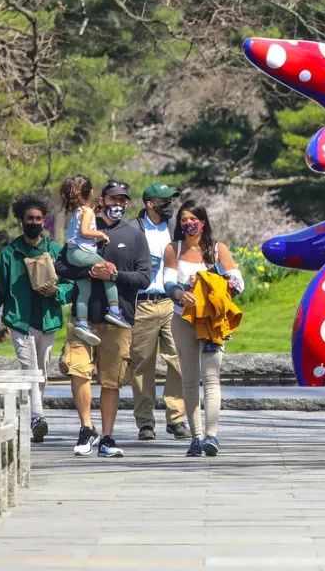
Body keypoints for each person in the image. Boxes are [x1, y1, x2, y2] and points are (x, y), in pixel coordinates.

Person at [57, 180, 151, 458]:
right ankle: (86, 429)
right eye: (113, 199)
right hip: (83, 317)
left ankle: (107, 437)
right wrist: (90, 271)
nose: (118, 205)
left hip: (118, 319)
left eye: (123, 200)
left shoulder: (134, 235)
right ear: (103, 200)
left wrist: (113, 276)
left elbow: (144, 278)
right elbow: (62, 264)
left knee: (111, 380)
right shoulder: (85, 224)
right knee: (77, 370)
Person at [0, 195, 74, 443]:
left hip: (47, 319)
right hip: (20, 320)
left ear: (44, 220)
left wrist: (58, 292)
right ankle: (38, 417)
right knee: (29, 369)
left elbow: (71, 283)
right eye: (29, 219)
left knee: (41, 371)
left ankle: (35, 415)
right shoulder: (9, 254)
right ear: (21, 221)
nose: (34, 222)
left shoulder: (55, 250)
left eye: (38, 219)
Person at [163, 200, 243, 458]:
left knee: (211, 378)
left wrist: (215, 277)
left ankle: (212, 435)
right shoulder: (173, 249)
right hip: (183, 318)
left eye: (192, 219)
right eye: (183, 219)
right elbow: (166, 281)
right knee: (188, 379)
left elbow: (238, 282)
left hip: (212, 322)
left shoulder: (218, 249)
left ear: (203, 222)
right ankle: (196, 436)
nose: (188, 224)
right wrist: (180, 291)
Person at [131, 182, 188, 441]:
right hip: (142, 303)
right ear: (150, 204)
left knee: (178, 359)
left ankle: (176, 417)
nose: (170, 206)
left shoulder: (174, 229)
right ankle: (145, 421)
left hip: (170, 302)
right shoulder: (134, 230)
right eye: (165, 201)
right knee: (143, 363)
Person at [60, 174, 130, 345]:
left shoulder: (78, 212)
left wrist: (96, 212)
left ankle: (82, 323)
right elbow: (85, 231)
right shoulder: (88, 211)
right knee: (108, 272)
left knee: (84, 290)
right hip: (82, 252)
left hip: (72, 253)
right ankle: (114, 309)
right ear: (91, 192)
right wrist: (101, 234)